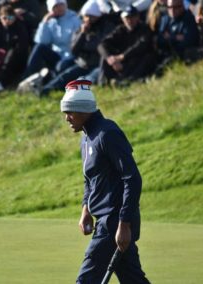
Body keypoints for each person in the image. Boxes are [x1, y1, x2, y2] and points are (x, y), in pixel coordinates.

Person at [60, 78, 151, 284]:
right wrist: (86, 209)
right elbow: (89, 179)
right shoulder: (87, 137)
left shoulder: (107, 133)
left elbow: (132, 178)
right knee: (133, 279)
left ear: (83, 110)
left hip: (113, 223)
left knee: (86, 280)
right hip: (105, 220)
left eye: (70, 112)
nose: (67, 118)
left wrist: (124, 224)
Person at [38, 0, 114, 96]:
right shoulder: (81, 29)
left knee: (85, 81)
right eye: (86, 16)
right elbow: (74, 50)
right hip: (83, 64)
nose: (88, 19)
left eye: (91, 16)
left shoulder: (106, 28)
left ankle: (73, 95)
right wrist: (82, 34)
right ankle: (44, 91)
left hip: (99, 65)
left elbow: (99, 46)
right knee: (64, 77)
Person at [19, 0, 81, 81]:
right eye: (56, 6)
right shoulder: (51, 21)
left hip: (71, 56)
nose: (59, 8)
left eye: (61, 5)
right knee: (39, 48)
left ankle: (46, 81)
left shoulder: (75, 19)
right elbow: (41, 41)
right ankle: (26, 78)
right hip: (57, 55)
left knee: (60, 67)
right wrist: (44, 22)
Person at [98, 6, 156, 86]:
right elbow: (102, 44)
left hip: (136, 60)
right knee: (105, 57)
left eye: (132, 17)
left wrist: (122, 56)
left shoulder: (144, 29)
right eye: (127, 17)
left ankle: (128, 81)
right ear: (122, 19)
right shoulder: (120, 30)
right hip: (121, 63)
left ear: (137, 17)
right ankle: (103, 84)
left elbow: (140, 46)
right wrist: (110, 59)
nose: (130, 20)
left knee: (146, 57)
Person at [0, 4, 30, 92]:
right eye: (4, 18)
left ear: (14, 17)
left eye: (10, 18)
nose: (7, 21)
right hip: (0, 58)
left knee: (11, 55)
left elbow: (22, 47)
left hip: (16, 59)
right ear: (0, 18)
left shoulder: (20, 28)